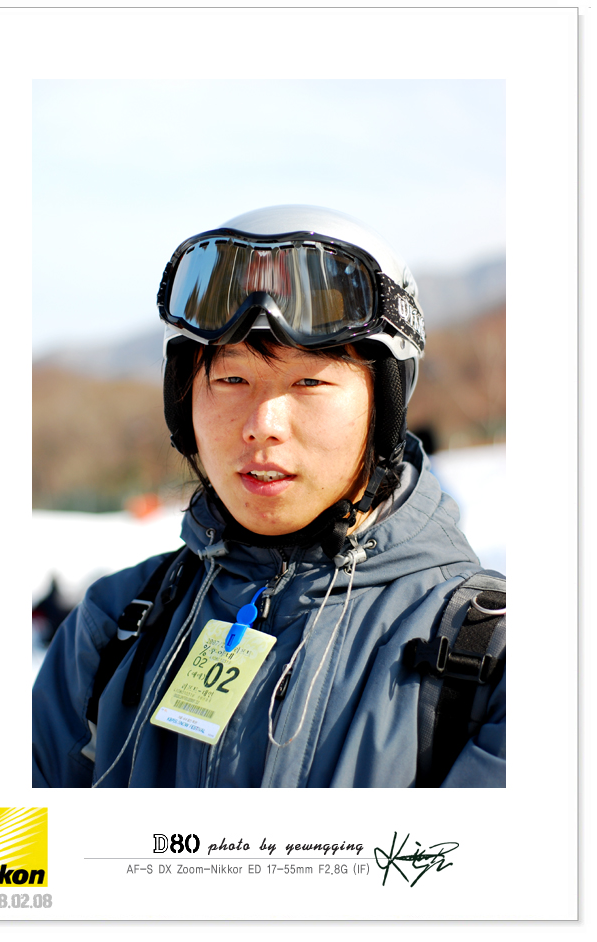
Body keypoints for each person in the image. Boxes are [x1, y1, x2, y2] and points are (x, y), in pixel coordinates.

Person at [32, 204, 505, 788]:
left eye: (310, 381)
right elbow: (4, 844)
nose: (263, 425)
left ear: (383, 408)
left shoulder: (493, 660)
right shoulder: (114, 626)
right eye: (231, 379)